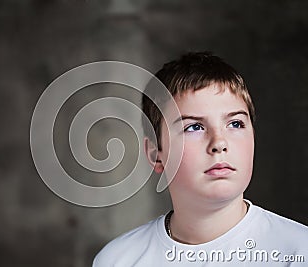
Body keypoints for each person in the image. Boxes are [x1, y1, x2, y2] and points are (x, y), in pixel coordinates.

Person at [92, 52, 308, 266]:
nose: (219, 143)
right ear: (155, 153)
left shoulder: (299, 250)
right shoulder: (117, 260)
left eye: (235, 124)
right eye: (194, 127)